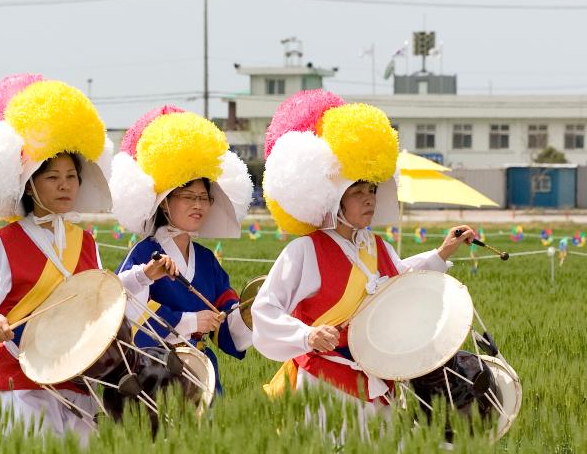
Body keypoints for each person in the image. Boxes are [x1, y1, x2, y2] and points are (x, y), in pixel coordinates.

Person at [0, 73, 173, 440]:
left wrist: (145, 275)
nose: (65, 184)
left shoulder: (85, 242)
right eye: (52, 177)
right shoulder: (5, 243)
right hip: (19, 382)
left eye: (72, 175)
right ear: (29, 184)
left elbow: (102, 300)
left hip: (78, 380)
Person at [250, 90, 473, 422]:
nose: (369, 199)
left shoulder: (376, 246)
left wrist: (441, 253)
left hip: (377, 379)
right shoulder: (305, 249)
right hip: (324, 382)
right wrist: (306, 335)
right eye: (357, 191)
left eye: (372, 190)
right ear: (333, 198)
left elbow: (398, 283)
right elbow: (265, 309)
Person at [110, 107, 254, 393]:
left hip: (203, 372)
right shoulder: (144, 254)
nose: (198, 205)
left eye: (203, 197)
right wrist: (189, 321)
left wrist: (250, 314)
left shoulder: (207, 260)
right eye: (187, 196)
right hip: (154, 371)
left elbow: (226, 326)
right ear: (164, 201)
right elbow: (124, 309)